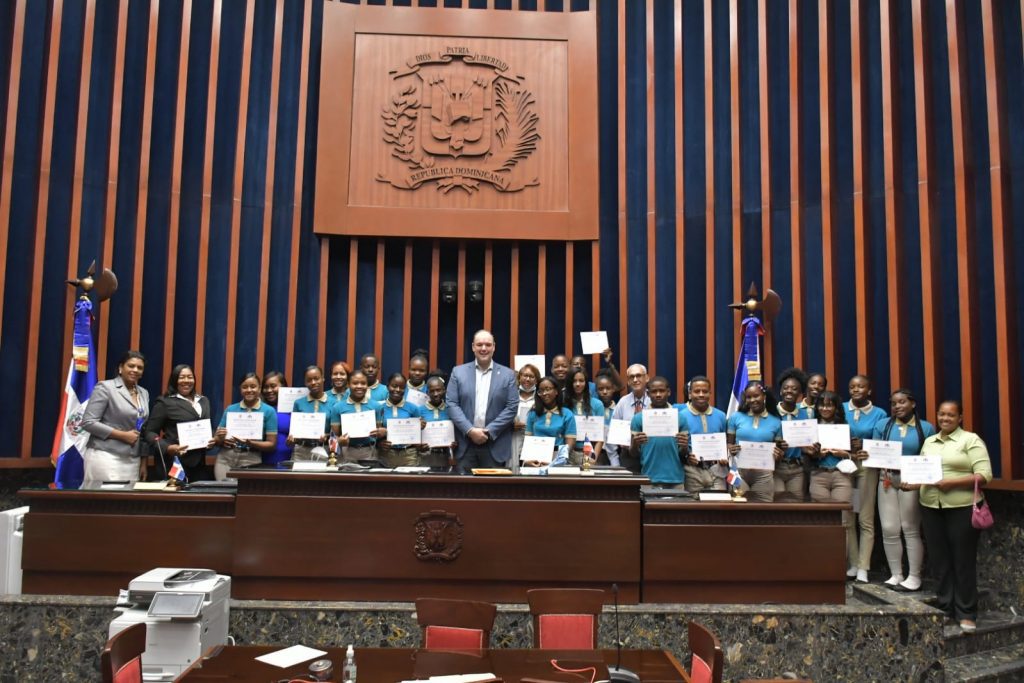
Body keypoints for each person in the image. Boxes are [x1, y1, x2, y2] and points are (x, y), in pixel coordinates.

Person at [903, 400, 991, 633]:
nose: (945, 419)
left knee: (962, 561)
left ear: (960, 417)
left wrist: (951, 483)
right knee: (940, 561)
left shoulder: (970, 440)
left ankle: (967, 612)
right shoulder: (930, 442)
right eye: (942, 415)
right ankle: (945, 608)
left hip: (961, 507)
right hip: (931, 506)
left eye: (951, 415)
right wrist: (911, 484)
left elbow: (984, 476)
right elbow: (923, 471)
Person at [871, 389, 935, 592]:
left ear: (913, 403)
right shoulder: (883, 425)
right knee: (889, 528)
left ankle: (914, 576)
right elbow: (875, 452)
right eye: (893, 403)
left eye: (902, 402)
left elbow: (930, 456)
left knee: (910, 527)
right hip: (887, 478)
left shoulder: (926, 428)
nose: (897, 406)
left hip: (912, 480)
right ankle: (896, 574)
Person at [445, 329, 519, 472]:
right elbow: (452, 404)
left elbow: (512, 407)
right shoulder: (458, 372)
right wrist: (470, 430)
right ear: (473, 347)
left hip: (495, 444)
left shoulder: (508, 374)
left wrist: (489, 431)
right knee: (463, 492)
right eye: (479, 345)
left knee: (493, 493)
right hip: (465, 444)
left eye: (487, 344)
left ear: (494, 347)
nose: (483, 348)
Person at [80, 350, 150, 485]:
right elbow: (88, 422)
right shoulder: (105, 387)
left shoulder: (144, 393)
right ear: (120, 368)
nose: (135, 370)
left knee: (126, 505)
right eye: (131, 366)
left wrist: (143, 461)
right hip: (105, 455)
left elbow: (143, 429)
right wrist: (122, 435)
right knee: (105, 503)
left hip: (133, 459)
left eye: (139, 368)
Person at [845, 374, 888, 583]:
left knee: (865, 518)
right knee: (848, 517)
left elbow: (881, 441)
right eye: (852, 386)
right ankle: (853, 563)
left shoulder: (880, 413)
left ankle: (864, 566)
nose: (856, 390)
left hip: (866, 467)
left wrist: (865, 446)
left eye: (860, 387)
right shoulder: (841, 407)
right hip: (844, 465)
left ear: (869, 390)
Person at [807, 391, 856, 573]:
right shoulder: (810, 427)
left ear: (836, 407)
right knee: (819, 520)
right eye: (821, 405)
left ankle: (838, 566)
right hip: (818, 475)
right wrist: (814, 453)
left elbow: (853, 454)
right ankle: (820, 565)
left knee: (843, 521)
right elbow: (806, 454)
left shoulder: (844, 427)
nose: (825, 408)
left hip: (841, 475)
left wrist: (842, 453)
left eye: (829, 405)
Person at [144, 364, 213, 482]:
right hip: (175, 463)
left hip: (199, 464)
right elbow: (149, 432)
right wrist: (168, 447)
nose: (186, 380)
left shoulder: (203, 400)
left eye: (190, 377)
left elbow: (205, 427)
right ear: (175, 380)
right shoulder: (165, 402)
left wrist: (213, 440)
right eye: (182, 377)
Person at [727, 382, 784, 503]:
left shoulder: (776, 421)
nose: (753, 400)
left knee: (764, 510)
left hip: (764, 474)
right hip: (738, 471)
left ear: (764, 396)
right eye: (749, 397)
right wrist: (730, 449)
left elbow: (779, 451)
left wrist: (778, 455)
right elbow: (728, 444)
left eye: (756, 396)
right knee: (737, 508)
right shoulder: (735, 417)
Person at [213, 373, 277, 480]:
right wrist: (219, 438)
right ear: (240, 389)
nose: (249, 390)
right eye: (245, 387)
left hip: (251, 458)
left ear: (259, 388)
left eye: (253, 386)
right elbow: (217, 441)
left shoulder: (269, 411)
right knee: (223, 491)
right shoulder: (230, 409)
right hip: (225, 458)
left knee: (245, 494)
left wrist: (250, 443)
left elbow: (271, 444)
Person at [630, 376, 688, 488]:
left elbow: (684, 455)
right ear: (648, 393)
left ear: (669, 392)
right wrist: (635, 444)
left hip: (675, 479)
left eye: (661, 391)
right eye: (654, 391)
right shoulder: (638, 418)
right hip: (648, 478)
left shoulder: (680, 418)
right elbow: (633, 454)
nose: (658, 394)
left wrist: (685, 447)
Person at [677, 376, 728, 493]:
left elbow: (726, 444)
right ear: (690, 394)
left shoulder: (721, 416)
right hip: (692, 471)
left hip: (717, 470)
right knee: (694, 508)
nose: (701, 395)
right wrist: (687, 456)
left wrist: (724, 456)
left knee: (719, 505)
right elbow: (677, 447)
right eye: (696, 391)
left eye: (705, 391)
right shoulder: (680, 416)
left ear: (710, 393)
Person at [775, 367, 815, 502]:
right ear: (781, 390)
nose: (789, 391)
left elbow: (808, 444)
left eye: (794, 389)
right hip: (775, 467)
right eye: (786, 388)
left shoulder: (806, 415)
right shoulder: (771, 413)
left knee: (795, 505)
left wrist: (810, 448)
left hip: (797, 468)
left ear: (801, 393)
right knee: (777, 504)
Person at [331, 369, 385, 463]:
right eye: (355, 383)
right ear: (348, 385)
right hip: (347, 451)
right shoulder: (337, 407)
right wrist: (339, 440)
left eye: (363, 383)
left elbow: (379, 434)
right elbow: (333, 438)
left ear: (367, 385)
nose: (359, 386)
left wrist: (383, 432)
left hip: (370, 451)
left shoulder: (376, 406)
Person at [524, 376, 577, 464]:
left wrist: (558, 460)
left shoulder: (567, 414)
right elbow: (528, 439)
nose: (544, 393)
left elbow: (570, 442)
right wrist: (528, 460)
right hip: (535, 457)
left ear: (556, 391)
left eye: (548, 389)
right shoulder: (533, 413)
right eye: (540, 391)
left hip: (558, 457)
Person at [608, 364, 651, 472]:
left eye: (639, 376)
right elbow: (613, 434)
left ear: (646, 378)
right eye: (632, 377)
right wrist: (615, 464)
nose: (635, 380)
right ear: (628, 381)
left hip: (651, 454)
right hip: (628, 457)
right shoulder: (623, 402)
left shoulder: (654, 401)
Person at [289, 365, 336, 461]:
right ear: (305, 382)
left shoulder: (334, 403)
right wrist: (291, 438)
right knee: (298, 476)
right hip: (301, 451)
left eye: (316, 379)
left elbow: (336, 434)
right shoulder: (298, 403)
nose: (313, 383)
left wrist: (326, 436)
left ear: (323, 378)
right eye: (309, 380)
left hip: (324, 449)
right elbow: (295, 431)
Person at [376, 373, 423, 467]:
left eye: (401, 387)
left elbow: (419, 435)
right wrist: (379, 443)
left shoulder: (413, 408)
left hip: (409, 455)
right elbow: (373, 433)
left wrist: (420, 427)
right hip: (386, 454)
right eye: (394, 386)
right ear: (387, 386)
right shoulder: (379, 407)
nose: (397, 390)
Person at [565, 368, 605, 464]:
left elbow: (600, 436)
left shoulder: (597, 404)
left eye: (581, 381)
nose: (578, 384)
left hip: (588, 452)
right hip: (567, 453)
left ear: (586, 383)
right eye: (574, 381)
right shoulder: (563, 403)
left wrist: (593, 456)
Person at [418, 374, 457, 469]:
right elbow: (414, 435)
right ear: (427, 393)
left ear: (444, 390)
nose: (435, 394)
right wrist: (419, 445)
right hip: (426, 455)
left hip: (446, 455)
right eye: (432, 391)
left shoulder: (451, 409)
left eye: (438, 390)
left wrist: (455, 443)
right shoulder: (419, 410)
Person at [510, 363, 540, 472]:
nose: (527, 379)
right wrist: (511, 425)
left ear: (537, 380)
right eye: (524, 375)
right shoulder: (511, 395)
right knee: (514, 468)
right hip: (514, 437)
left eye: (531, 376)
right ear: (519, 377)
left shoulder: (540, 397)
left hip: (534, 438)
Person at [261, 371, 293, 466]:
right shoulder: (259, 409)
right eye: (265, 387)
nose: (269, 390)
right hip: (262, 460)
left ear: (283, 387)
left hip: (291, 460)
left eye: (273, 386)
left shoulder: (295, 408)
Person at [594, 371, 619, 465]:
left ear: (613, 389)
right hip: (597, 453)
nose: (604, 392)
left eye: (608, 388)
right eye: (601, 389)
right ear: (596, 391)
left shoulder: (618, 409)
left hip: (615, 454)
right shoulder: (593, 409)